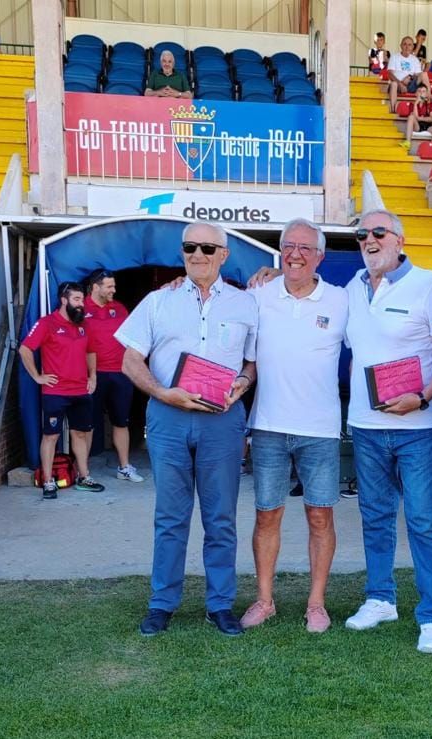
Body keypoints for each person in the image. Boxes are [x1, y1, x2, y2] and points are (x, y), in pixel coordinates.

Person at [116, 222, 258, 637]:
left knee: (221, 517)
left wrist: (243, 381)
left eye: (207, 248)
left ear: (223, 255)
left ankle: (220, 604)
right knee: (170, 516)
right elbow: (130, 360)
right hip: (168, 416)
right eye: (190, 247)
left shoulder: (246, 303)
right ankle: (162, 603)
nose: (198, 254)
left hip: (223, 420)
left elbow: (251, 362)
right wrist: (162, 392)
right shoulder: (158, 301)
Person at [344, 209, 432, 655]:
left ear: (399, 240)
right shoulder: (351, 288)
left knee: (424, 521)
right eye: (362, 234)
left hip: (420, 428)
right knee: (374, 516)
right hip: (366, 426)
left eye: (378, 232)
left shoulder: (428, 285)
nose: (369, 240)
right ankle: (380, 598)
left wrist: (423, 398)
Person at [240, 219, 347, 635]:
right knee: (267, 515)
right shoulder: (258, 295)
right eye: (288, 246)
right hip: (268, 426)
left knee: (320, 517)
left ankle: (316, 604)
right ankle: (264, 600)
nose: (295, 254)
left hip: (320, 430)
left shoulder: (340, 299)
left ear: (320, 255)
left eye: (305, 247)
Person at [19, 282, 105, 499]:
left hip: (80, 391)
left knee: (81, 434)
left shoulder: (84, 324)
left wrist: (93, 376)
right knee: (51, 436)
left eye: (82, 299)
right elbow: (25, 349)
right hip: (55, 392)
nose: (81, 304)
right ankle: (48, 481)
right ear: (64, 300)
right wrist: (37, 377)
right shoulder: (47, 323)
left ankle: (84, 477)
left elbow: (91, 351)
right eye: (76, 299)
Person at [83, 269, 143, 483]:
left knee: (121, 421)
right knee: (86, 425)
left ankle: (124, 467)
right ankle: (83, 473)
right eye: (109, 286)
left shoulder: (119, 308)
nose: (114, 290)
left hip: (120, 373)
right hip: (92, 375)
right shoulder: (81, 308)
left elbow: (132, 339)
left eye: (114, 286)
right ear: (95, 287)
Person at [387, 36, 429, 114]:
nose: (407, 47)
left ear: (413, 47)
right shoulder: (394, 57)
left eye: (409, 45)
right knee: (393, 84)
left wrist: (410, 77)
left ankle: (428, 101)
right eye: (405, 44)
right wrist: (400, 83)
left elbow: (418, 74)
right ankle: (393, 109)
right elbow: (390, 74)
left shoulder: (415, 59)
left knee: (424, 74)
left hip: (410, 84)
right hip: (397, 85)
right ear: (401, 46)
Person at [401, 83, 432, 150]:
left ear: (426, 94)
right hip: (417, 126)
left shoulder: (429, 104)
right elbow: (415, 117)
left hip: (427, 125)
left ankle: (431, 149)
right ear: (416, 94)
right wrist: (416, 104)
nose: (421, 93)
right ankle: (408, 142)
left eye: (423, 91)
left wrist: (420, 118)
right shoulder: (412, 104)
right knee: (411, 117)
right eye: (419, 91)